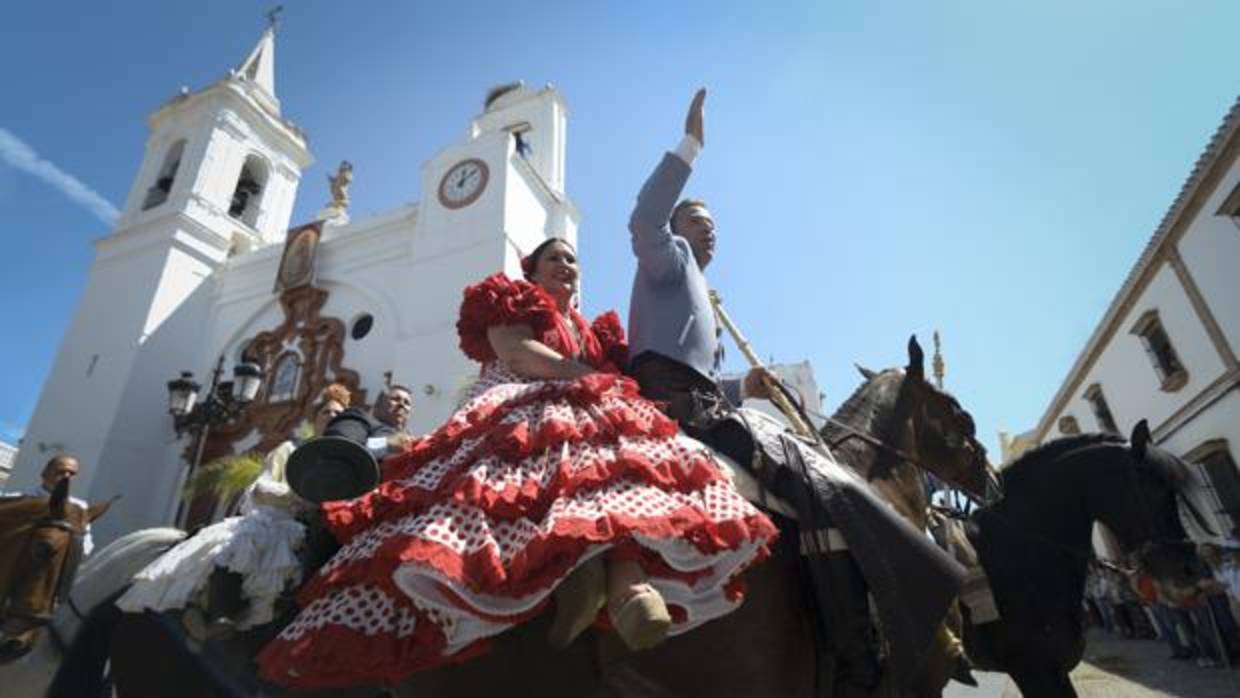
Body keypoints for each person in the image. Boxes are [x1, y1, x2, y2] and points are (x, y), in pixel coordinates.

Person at [256, 238, 778, 690]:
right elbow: (519, 352)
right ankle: (572, 574)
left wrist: (625, 383)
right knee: (525, 469)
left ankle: (621, 577)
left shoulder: (593, 332)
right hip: (518, 401)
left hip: (580, 405)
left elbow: (620, 376)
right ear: (531, 270)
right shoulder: (512, 300)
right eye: (554, 258)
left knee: (622, 463)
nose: (566, 265)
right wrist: (588, 378)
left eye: (572, 260)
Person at [623, 88, 970, 693]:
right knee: (820, 484)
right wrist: (690, 146)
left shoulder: (694, 286)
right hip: (676, 414)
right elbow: (642, 219)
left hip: (704, 405)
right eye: (700, 225)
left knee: (814, 477)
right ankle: (858, 650)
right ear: (677, 228)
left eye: (715, 229)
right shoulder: (669, 258)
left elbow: (696, 374)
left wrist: (744, 384)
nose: (711, 236)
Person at [116, 385, 352, 634]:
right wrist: (299, 498)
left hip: (318, 527)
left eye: (339, 415)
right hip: (278, 519)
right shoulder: (290, 450)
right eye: (327, 412)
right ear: (315, 419)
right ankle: (219, 612)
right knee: (248, 539)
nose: (333, 418)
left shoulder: (345, 462)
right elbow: (262, 487)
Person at [3, 455, 95, 555]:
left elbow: (86, 547)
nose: (66, 476)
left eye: (72, 473)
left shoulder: (79, 508)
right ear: (45, 473)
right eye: (61, 471)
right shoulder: (16, 500)